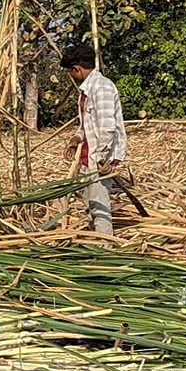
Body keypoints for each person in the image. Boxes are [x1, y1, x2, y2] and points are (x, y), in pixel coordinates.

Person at [63, 44, 128, 236]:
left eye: (70, 72)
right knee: (89, 203)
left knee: (99, 205)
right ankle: (94, 239)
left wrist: (102, 159)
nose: (71, 76)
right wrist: (76, 138)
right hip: (88, 156)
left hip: (99, 159)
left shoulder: (102, 88)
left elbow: (108, 127)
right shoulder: (86, 91)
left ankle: (104, 246)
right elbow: (87, 125)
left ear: (77, 69)